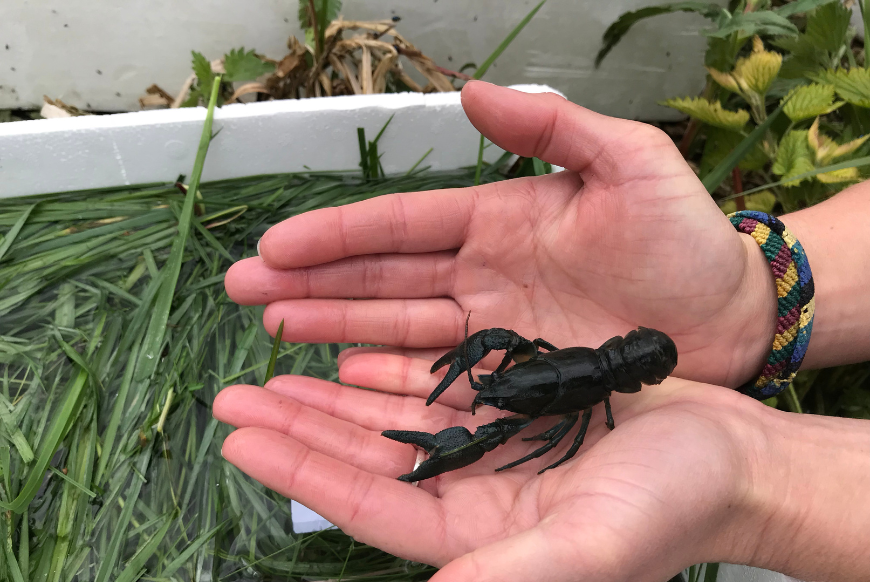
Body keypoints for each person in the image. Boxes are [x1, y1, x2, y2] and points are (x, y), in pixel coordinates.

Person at [216, 81, 870, 582]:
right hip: (591, 367)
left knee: (509, 420)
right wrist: (754, 295)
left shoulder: (594, 394)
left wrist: (760, 474)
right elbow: (509, 360)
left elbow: (555, 436)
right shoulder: (536, 372)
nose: (489, 385)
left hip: (602, 367)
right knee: (500, 381)